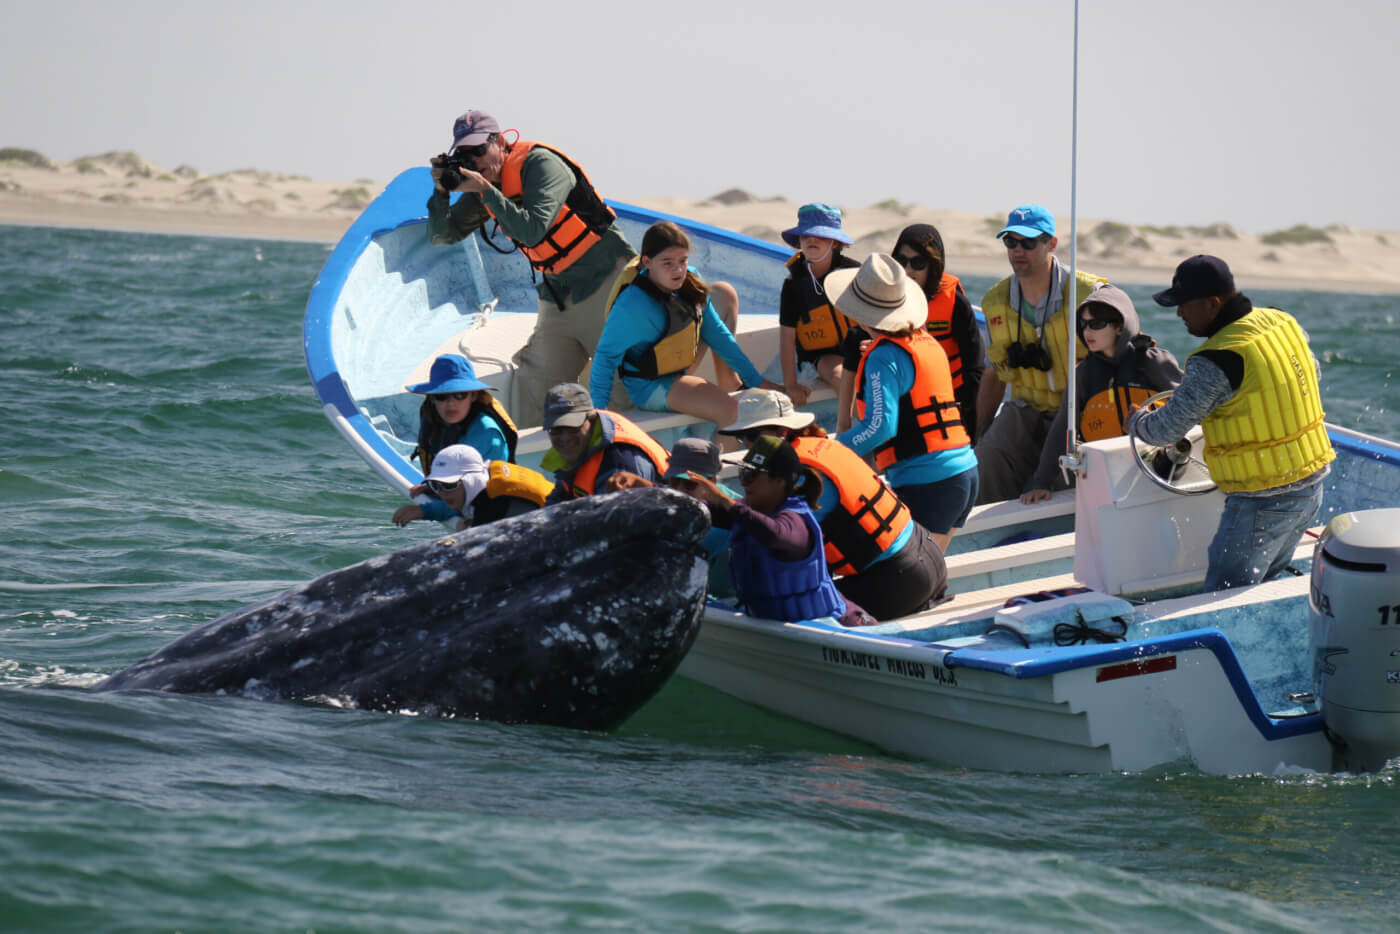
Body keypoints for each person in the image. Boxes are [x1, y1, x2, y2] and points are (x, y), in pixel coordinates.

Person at [1129, 255, 1335, 592]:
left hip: (1262, 502)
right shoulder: (1281, 322)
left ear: (1213, 304)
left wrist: (1137, 420)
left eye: (1183, 305)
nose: (1178, 313)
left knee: (1224, 598)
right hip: (1311, 485)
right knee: (1263, 587)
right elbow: (1311, 373)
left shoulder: (1216, 359)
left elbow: (1165, 430)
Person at [427, 110, 636, 427]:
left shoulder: (540, 165)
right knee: (536, 388)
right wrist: (441, 193)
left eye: (479, 149)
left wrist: (485, 190)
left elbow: (533, 229)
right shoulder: (488, 187)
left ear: (499, 142)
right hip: (559, 296)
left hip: (605, 283)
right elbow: (443, 236)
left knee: (622, 385)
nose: (474, 160)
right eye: (465, 155)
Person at [717, 389, 948, 620]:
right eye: (741, 437)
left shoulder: (801, 473)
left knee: (793, 605)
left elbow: (771, 530)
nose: (745, 445)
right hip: (928, 557)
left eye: (750, 436)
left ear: (782, 432)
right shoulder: (823, 447)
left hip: (898, 579)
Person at [827, 254, 980, 554]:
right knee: (931, 573)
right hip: (964, 473)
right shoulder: (925, 342)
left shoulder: (883, 357)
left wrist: (831, 452)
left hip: (929, 484)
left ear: (858, 311)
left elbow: (879, 427)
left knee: (911, 575)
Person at [975, 204, 1106, 503]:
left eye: (1029, 242)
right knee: (983, 460)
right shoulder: (994, 301)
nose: (1018, 250)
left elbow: (1125, 359)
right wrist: (979, 432)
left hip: (1080, 416)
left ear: (1052, 244)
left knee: (1069, 482)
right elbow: (994, 374)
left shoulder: (1090, 293)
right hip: (1025, 409)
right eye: (1011, 242)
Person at [589, 221, 775, 428]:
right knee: (729, 409)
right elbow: (604, 359)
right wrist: (600, 416)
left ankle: (731, 383)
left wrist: (757, 380)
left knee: (723, 294)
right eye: (667, 263)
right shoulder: (633, 305)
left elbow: (719, 336)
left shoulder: (690, 281)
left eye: (683, 260)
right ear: (647, 262)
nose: (678, 270)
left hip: (678, 368)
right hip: (649, 386)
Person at [683, 436, 875, 627]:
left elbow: (774, 535)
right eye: (743, 473)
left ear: (780, 481)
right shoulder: (747, 513)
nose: (744, 483)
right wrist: (656, 491)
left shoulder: (795, 520)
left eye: (752, 475)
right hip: (784, 631)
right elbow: (694, 508)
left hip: (840, 627)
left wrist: (726, 501)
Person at [1021, 284, 1183, 503]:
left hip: (1159, 471)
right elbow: (1063, 427)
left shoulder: (1153, 362)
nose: (1087, 332)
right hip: (1106, 476)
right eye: (1084, 324)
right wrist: (1042, 483)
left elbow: (1190, 408)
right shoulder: (1084, 374)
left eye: (1096, 324)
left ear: (1119, 326)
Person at [890, 224, 984, 441]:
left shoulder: (955, 302)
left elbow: (973, 367)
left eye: (918, 263)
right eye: (902, 261)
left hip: (950, 399)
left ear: (933, 266)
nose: (908, 270)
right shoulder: (885, 299)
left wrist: (968, 418)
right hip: (904, 397)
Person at [774, 203, 862, 406]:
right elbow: (787, 339)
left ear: (835, 243)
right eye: (805, 236)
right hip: (826, 355)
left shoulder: (855, 274)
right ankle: (872, 431)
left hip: (863, 347)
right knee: (842, 377)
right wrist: (791, 385)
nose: (812, 240)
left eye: (821, 236)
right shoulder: (793, 285)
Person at [539, 383, 669, 504]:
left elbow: (623, 521)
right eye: (556, 429)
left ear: (592, 419)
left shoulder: (619, 461)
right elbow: (559, 498)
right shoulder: (575, 448)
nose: (565, 437)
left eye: (573, 427)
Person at [391, 444, 550, 531]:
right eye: (436, 484)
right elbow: (459, 499)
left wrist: (467, 529)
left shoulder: (492, 504)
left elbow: (476, 545)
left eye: (449, 484)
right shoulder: (486, 473)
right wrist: (430, 496)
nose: (442, 493)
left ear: (471, 480)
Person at [406, 354, 517, 470]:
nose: (450, 403)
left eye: (459, 395)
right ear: (432, 398)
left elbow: (479, 487)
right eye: (441, 396)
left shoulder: (487, 436)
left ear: (474, 396)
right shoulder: (434, 419)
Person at [661, 437, 737, 598]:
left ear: (712, 483)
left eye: (689, 484)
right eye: (674, 482)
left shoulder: (726, 523)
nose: (679, 491)